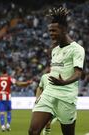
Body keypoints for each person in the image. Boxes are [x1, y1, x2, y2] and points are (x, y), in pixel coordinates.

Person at [28, 7, 85, 135]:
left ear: (64, 30)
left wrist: (64, 82)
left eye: (54, 30)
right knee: (33, 131)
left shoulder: (77, 49)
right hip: (49, 94)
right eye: (50, 31)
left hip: (66, 98)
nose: (51, 33)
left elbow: (78, 73)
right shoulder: (55, 50)